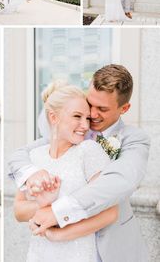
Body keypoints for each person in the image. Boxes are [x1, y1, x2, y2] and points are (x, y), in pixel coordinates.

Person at [8, 64, 150, 262]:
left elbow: (120, 181)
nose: (91, 114)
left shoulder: (134, 139)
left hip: (114, 249)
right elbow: (20, 154)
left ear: (124, 108)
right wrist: (32, 173)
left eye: (102, 109)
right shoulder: (67, 135)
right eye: (90, 103)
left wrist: (56, 214)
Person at [14, 81, 118, 261]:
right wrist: (43, 205)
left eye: (87, 118)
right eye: (77, 116)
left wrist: (60, 234)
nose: (85, 125)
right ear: (54, 117)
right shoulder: (34, 157)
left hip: (76, 253)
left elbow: (110, 212)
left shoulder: (89, 151)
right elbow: (18, 210)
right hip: (39, 252)